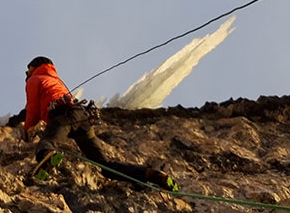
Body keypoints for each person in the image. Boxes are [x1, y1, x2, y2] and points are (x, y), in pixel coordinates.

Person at [23, 56, 178, 190]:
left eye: (28, 69)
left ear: (35, 67)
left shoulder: (35, 79)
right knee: (104, 165)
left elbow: (32, 109)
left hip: (64, 116)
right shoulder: (55, 80)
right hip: (82, 118)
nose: (26, 73)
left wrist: (27, 130)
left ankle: (46, 160)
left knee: (47, 143)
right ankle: (150, 175)